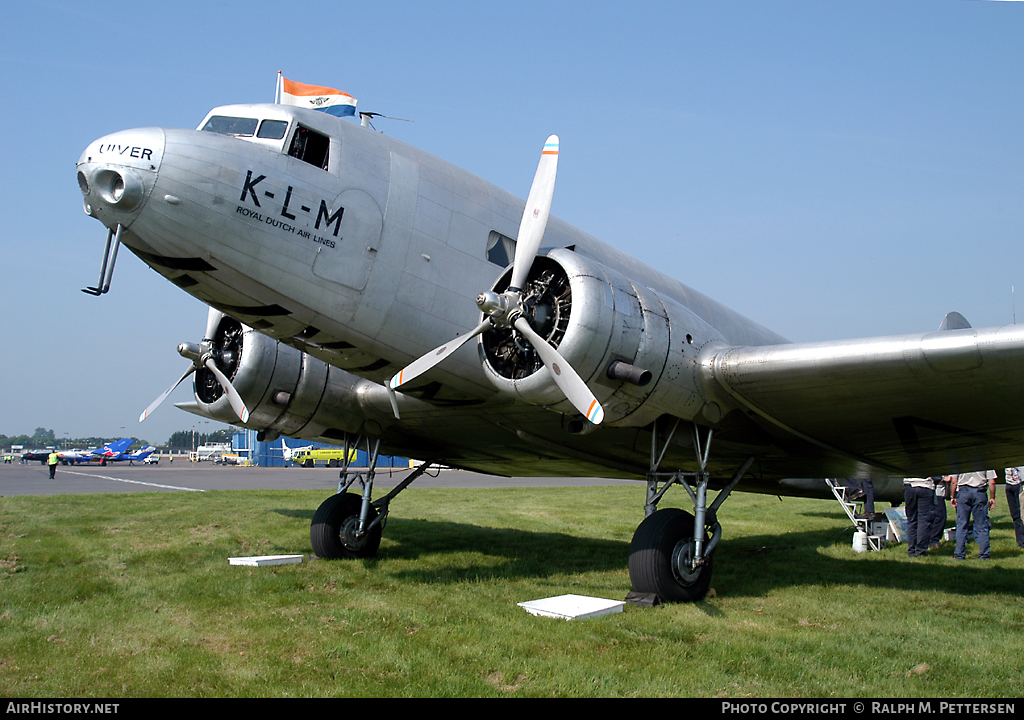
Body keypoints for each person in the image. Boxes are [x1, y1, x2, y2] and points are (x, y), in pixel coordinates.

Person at [951, 470, 997, 560]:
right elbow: (992, 481)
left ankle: (959, 554)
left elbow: (954, 480)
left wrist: (953, 496)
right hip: (980, 491)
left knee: (962, 524)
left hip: (964, 491)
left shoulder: (960, 459)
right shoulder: (985, 461)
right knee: (982, 525)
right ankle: (984, 554)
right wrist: (992, 497)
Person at [903, 476, 935, 557]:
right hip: (926, 485)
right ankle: (920, 549)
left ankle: (912, 549)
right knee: (924, 520)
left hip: (910, 484)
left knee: (911, 519)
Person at [928, 475, 951, 550]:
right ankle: (933, 540)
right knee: (940, 516)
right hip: (935, 492)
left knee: (939, 516)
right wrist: (943, 478)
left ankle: (933, 539)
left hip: (940, 492)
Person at [1005, 467, 1024, 549]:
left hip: (1019, 485)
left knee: (1022, 514)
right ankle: (1020, 540)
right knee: (1015, 514)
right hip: (1009, 485)